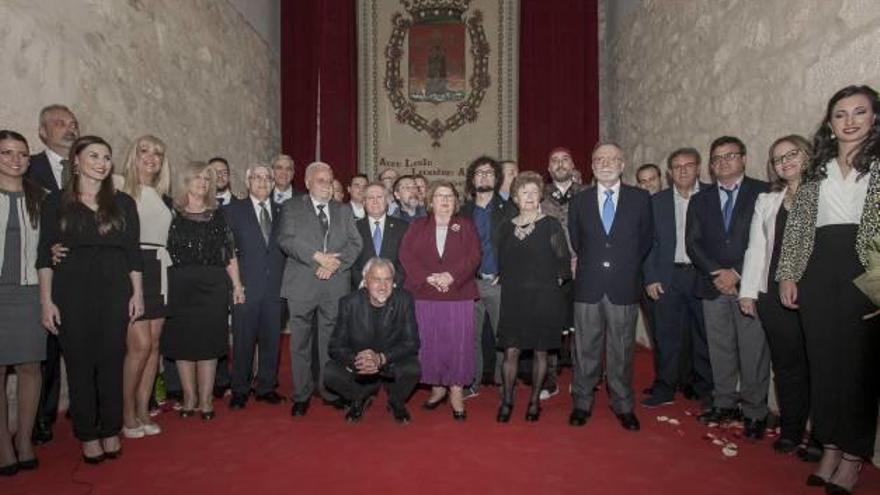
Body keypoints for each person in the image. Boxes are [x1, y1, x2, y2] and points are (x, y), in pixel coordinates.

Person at [777, 85, 880, 493]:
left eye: (860, 112)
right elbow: (800, 229)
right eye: (840, 114)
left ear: (874, 118)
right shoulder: (816, 168)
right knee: (822, 365)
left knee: (859, 368)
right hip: (817, 270)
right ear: (830, 122)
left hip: (866, 271)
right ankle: (831, 447)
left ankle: (854, 456)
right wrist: (788, 273)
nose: (850, 121)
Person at [37, 135, 143, 463]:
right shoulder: (56, 201)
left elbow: (133, 254)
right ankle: (87, 434)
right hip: (71, 290)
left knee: (112, 362)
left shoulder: (123, 203)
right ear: (77, 161)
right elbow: (44, 254)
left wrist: (137, 294)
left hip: (115, 289)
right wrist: (46, 302)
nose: (101, 162)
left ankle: (110, 429)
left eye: (107, 157)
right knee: (80, 364)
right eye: (94, 155)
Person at [686, 136, 771, 440]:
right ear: (710, 165)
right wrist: (717, 273)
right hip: (712, 286)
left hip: (748, 286)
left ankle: (754, 411)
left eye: (730, 156)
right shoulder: (700, 199)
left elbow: (764, 239)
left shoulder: (763, 191)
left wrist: (736, 273)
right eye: (717, 158)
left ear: (744, 158)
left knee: (752, 351)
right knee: (719, 349)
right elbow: (693, 243)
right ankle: (724, 403)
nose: (723, 162)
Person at [568, 142, 653, 431]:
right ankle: (582, 401)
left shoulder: (640, 199)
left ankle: (623, 404)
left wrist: (621, 265)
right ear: (592, 166)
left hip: (623, 284)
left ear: (622, 164)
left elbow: (646, 241)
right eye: (599, 159)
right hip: (589, 285)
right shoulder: (579, 201)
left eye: (612, 159)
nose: (605, 163)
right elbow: (577, 241)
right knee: (585, 348)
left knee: (622, 348)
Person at [738, 135, 810, 454]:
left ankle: (823, 436)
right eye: (779, 158)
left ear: (808, 155)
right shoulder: (768, 201)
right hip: (773, 296)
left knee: (823, 366)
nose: (786, 162)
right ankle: (792, 430)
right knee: (786, 365)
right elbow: (757, 248)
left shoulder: (826, 194)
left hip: (817, 294)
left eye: (792, 154)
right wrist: (748, 291)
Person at [161, 161, 245, 421]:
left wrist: (238, 285)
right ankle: (189, 399)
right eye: (197, 178)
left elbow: (229, 253)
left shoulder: (217, 214)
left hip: (213, 284)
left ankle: (206, 401)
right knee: (184, 344)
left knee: (209, 345)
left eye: (207, 179)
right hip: (179, 284)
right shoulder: (171, 212)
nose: (202, 183)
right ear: (186, 181)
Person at [278, 162, 362, 417]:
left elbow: (355, 244)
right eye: (320, 180)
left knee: (329, 341)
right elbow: (286, 240)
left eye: (329, 180)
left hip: (333, 284)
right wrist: (317, 257)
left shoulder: (343, 210)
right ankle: (302, 394)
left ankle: (328, 391)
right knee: (299, 343)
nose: (326, 185)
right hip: (302, 284)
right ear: (307, 182)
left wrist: (334, 265)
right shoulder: (292, 207)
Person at [399, 181, 481, 421]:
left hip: (458, 294)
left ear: (455, 202)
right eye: (439, 196)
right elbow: (406, 254)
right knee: (430, 343)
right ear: (430, 201)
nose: (444, 201)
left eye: (449, 197)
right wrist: (428, 278)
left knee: (458, 344)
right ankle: (436, 388)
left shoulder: (465, 225)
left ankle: (456, 391)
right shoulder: (417, 226)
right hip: (425, 294)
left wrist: (451, 276)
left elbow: (474, 255)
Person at [495, 172, 571, 423]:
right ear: (515, 198)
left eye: (533, 192)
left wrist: (552, 284)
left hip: (543, 298)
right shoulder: (506, 227)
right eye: (523, 192)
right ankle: (507, 400)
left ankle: (535, 401)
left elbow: (563, 263)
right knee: (511, 351)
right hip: (514, 297)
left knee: (540, 352)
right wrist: (500, 275)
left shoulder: (551, 224)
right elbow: (501, 260)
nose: (529, 196)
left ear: (540, 196)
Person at [642, 148, 713, 408]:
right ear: (670, 173)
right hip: (668, 276)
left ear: (698, 168)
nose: (683, 170)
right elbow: (647, 243)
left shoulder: (711, 196)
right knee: (666, 335)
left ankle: (706, 389)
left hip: (702, 276)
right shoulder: (656, 201)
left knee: (705, 335)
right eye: (677, 166)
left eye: (688, 165)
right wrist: (650, 277)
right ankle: (665, 388)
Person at [26, 105, 80, 446]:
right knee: (45, 352)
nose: (69, 128)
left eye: (73, 123)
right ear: (43, 131)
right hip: (44, 274)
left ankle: (83, 406)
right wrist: (46, 252)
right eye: (60, 123)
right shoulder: (27, 167)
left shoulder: (88, 170)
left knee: (81, 345)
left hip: (83, 276)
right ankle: (42, 419)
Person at [118, 135, 173, 439]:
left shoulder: (163, 195)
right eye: (144, 151)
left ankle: (142, 408)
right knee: (137, 346)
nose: (151, 157)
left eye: (158, 153)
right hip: (131, 269)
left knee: (153, 345)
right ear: (133, 155)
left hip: (160, 270)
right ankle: (126, 413)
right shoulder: (118, 186)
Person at [0, 130, 47, 475]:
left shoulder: (41, 197)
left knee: (31, 367)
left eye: (22, 154)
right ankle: (3, 446)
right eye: (6, 153)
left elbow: (50, 244)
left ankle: (25, 440)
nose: (15, 160)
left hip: (31, 292)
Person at [325, 258, 421, 424]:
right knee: (330, 373)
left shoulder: (404, 300)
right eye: (376, 279)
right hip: (361, 365)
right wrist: (359, 360)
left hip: (389, 363)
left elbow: (412, 343)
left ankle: (395, 400)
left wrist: (381, 358)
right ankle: (360, 398)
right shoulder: (349, 303)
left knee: (413, 368)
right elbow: (335, 346)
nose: (382, 286)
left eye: (387, 279)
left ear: (394, 282)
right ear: (365, 281)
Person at [224, 165, 286, 410]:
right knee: (243, 339)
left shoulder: (283, 211)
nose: (263, 182)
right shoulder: (232, 211)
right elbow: (227, 249)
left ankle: (266, 387)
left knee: (272, 340)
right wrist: (236, 284)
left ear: (273, 184)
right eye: (257, 177)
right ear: (247, 181)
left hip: (277, 289)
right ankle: (239, 388)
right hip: (245, 287)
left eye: (267, 178)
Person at [460, 156, 516, 397]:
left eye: (489, 173)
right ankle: (472, 383)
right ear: (472, 180)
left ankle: (504, 383)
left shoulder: (509, 209)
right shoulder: (462, 211)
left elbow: (517, 246)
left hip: (498, 282)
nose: (483, 176)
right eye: (479, 173)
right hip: (470, 284)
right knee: (470, 338)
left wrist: (506, 271)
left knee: (502, 336)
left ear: (497, 179)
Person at [540, 147, 585, 400]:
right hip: (550, 271)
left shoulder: (588, 192)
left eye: (564, 159)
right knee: (551, 326)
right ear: (548, 168)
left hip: (583, 270)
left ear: (573, 164)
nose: (559, 164)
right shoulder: (539, 194)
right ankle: (549, 379)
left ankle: (582, 378)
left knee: (583, 326)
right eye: (554, 160)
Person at [352, 182, 408, 289]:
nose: (375, 201)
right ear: (364, 202)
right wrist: (363, 282)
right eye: (370, 198)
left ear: (386, 201)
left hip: (394, 290)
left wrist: (393, 282)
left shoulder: (403, 227)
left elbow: (406, 260)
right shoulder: (354, 228)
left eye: (379, 197)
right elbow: (351, 260)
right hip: (361, 289)